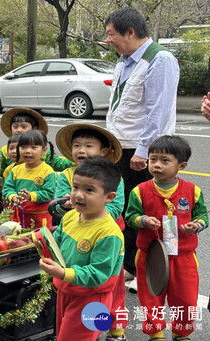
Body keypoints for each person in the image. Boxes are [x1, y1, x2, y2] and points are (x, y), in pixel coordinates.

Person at [104, 7, 180, 290]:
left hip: (143, 151)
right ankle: (133, 266)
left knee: (156, 210)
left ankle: (163, 267)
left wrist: (144, 151)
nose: (109, 40)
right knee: (128, 209)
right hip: (120, 148)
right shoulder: (124, 62)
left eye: (111, 34)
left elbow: (158, 111)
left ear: (130, 32)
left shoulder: (160, 59)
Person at [125, 135, 208, 341]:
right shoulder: (140, 191)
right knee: (150, 297)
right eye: (153, 159)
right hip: (150, 255)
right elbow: (130, 217)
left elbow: (203, 215)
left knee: (186, 299)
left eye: (165, 160)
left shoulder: (192, 191)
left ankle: (181, 333)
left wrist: (196, 225)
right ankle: (156, 334)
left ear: (182, 165)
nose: (157, 165)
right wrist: (143, 220)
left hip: (184, 257)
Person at [54, 124, 127, 341]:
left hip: (101, 246)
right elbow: (58, 204)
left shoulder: (112, 179)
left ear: (104, 151)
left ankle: (115, 329)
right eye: (76, 145)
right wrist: (65, 208)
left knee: (112, 294)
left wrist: (83, 211)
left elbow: (114, 208)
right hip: (72, 273)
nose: (81, 150)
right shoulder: (68, 177)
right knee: (68, 330)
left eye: (88, 145)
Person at [40, 156, 124, 341]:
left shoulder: (108, 233)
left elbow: (98, 274)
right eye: (76, 187)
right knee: (64, 335)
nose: (78, 195)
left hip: (92, 299)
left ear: (109, 197)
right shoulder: (71, 217)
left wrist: (63, 273)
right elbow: (58, 243)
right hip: (67, 290)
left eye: (89, 190)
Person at [2, 130, 56, 229]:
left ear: (44, 150)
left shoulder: (47, 171)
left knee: (38, 242)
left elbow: (49, 193)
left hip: (39, 217)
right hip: (18, 214)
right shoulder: (16, 170)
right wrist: (13, 197)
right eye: (23, 147)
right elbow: (7, 188)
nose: (27, 151)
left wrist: (31, 196)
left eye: (33, 147)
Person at [0, 107, 73, 175]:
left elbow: (61, 164)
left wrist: (77, 160)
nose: (19, 130)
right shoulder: (5, 150)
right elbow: (1, 172)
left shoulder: (43, 151)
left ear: (34, 129)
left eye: (24, 127)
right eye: (15, 127)